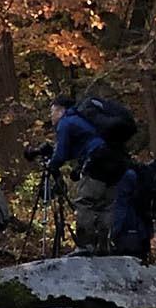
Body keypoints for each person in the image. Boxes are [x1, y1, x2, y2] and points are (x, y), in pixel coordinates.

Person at [46, 93, 113, 254]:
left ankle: (85, 244)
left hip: (95, 162)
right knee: (104, 204)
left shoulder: (66, 123)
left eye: (52, 112)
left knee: (85, 202)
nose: (51, 117)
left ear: (61, 110)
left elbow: (61, 154)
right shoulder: (81, 120)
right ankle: (105, 245)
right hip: (111, 160)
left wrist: (52, 165)